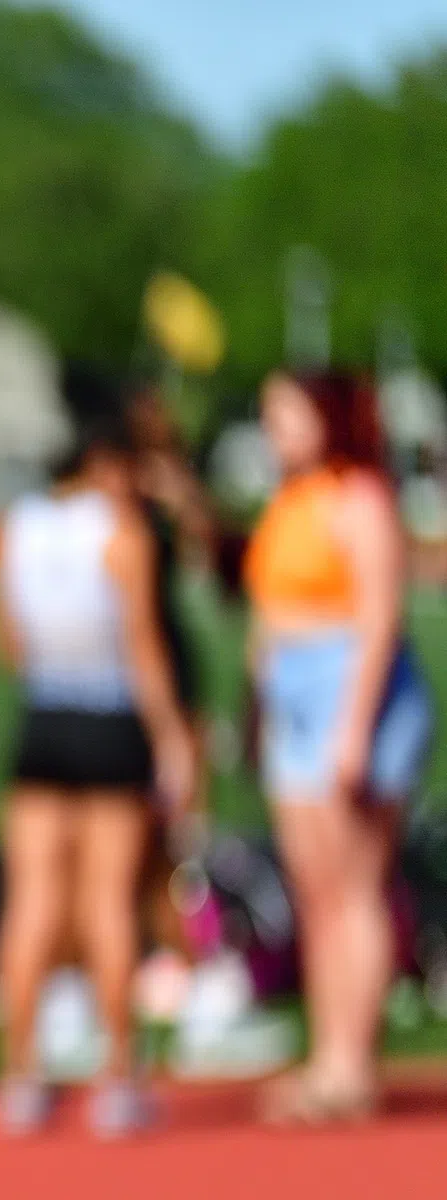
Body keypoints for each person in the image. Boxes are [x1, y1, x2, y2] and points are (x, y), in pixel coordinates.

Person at [0, 371, 195, 1136]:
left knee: (31, 902)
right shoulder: (122, 534)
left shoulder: (17, 526)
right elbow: (145, 652)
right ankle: (115, 1075)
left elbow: (6, 643)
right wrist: (172, 739)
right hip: (107, 718)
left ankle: (19, 1074)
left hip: (43, 714)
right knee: (107, 903)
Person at [245, 370, 433, 1123]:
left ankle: (353, 1063)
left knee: (354, 885)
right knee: (314, 892)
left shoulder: (361, 499)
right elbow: (266, 609)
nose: (274, 430)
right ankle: (325, 1055)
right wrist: (257, 702)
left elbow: (378, 621)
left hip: (348, 689)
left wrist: (351, 730)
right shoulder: (290, 499)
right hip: (291, 689)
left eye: (287, 415)